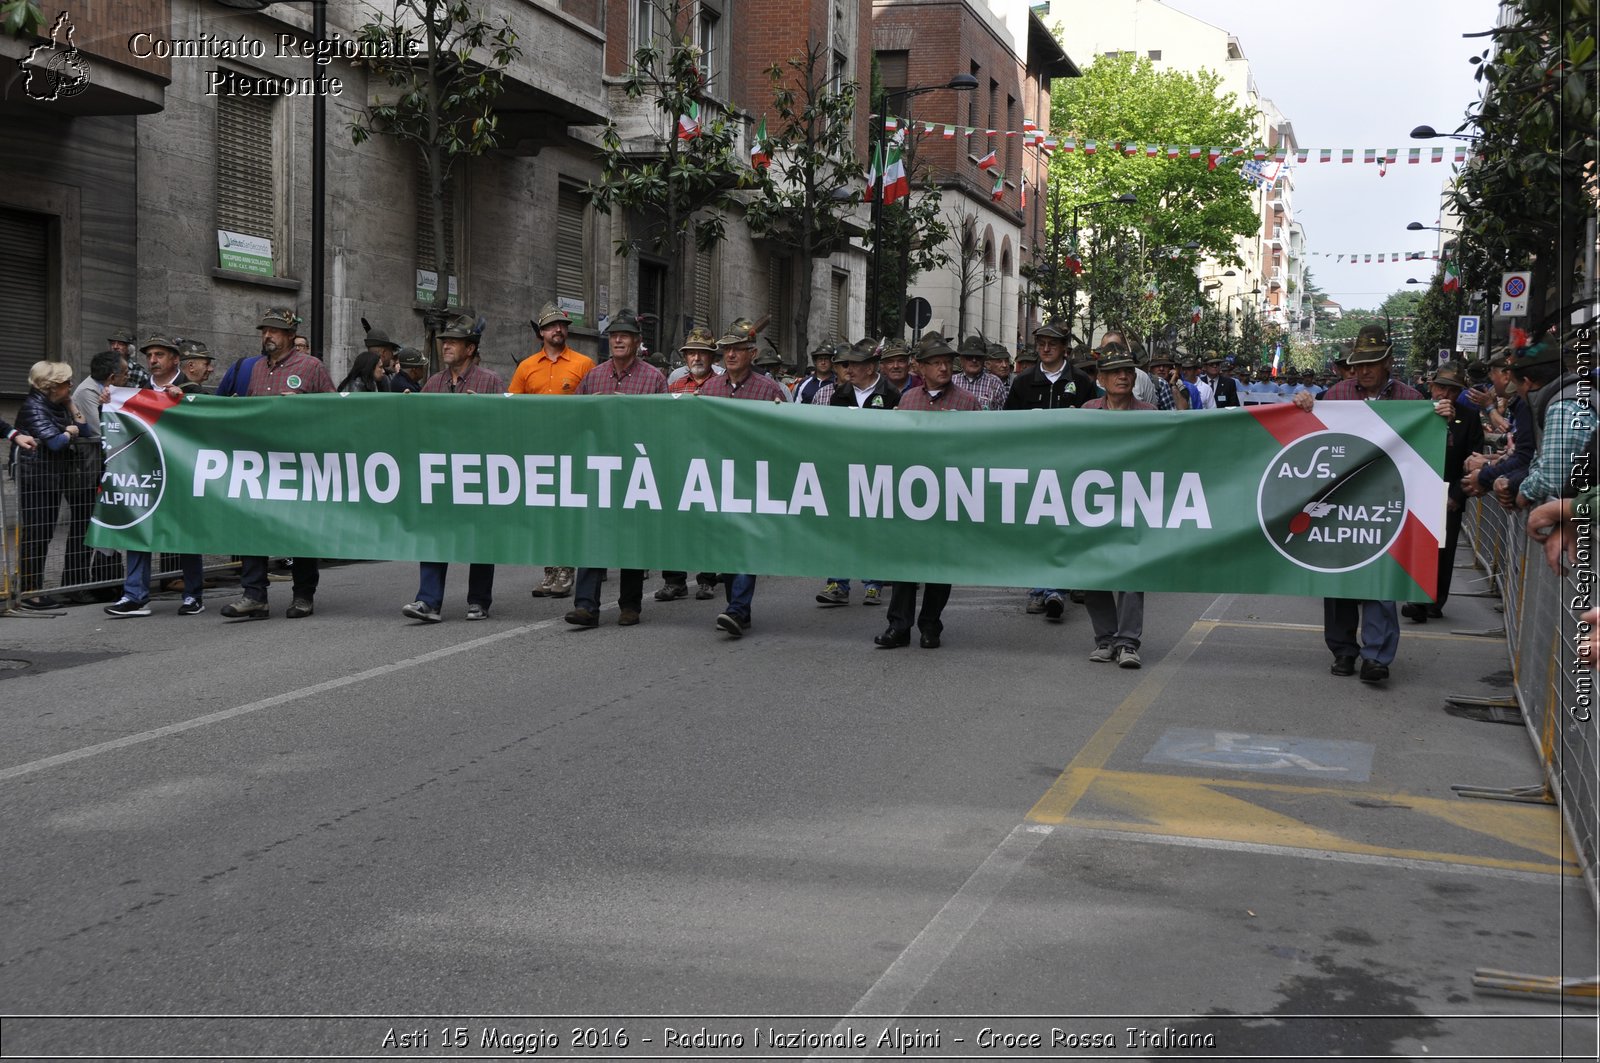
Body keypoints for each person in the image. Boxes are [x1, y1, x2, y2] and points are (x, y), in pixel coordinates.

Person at [1292, 324, 1453, 683]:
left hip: (1386, 505)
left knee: (1381, 580)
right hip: (1341, 503)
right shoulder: (1336, 396)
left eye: (1372, 363)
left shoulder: (1412, 401)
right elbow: (1306, 429)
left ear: (1388, 362)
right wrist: (1304, 404)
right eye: (1359, 364)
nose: (1363, 371)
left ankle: (1376, 656)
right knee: (1338, 581)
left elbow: (1438, 448)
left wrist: (1442, 421)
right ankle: (1344, 651)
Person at [221, 307, 335, 622]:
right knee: (252, 526)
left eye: (273, 331)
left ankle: (302, 596)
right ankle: (254, 595)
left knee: (299, 528)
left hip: (298, 463)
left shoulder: (311, 367)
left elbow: (335, 410)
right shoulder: (256, 368)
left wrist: (302, 406)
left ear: (288, 335)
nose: (266, 336)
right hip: (261, 464)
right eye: (263, 331)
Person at [875, 334, 982, 650]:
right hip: (912, 497)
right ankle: (898, 626)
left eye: (947, 362)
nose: (943, 368)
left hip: (950, 496)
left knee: (940, 564)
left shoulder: (967, 403)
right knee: (904, 563)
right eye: (936, 362)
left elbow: (981, 448)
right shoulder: (907, 401)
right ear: (919, 368)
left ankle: (930, 625)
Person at [400, 314, 505, 622]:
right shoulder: (434, 383)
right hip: (441, 472)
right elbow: (419, 429)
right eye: (444, 341)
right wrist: (409, 407)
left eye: (453, 342)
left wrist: (485, 411)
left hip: (478, 472)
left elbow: (505, 426)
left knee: (480, 534)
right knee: (434, 532)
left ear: (470, 349)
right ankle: (428, 602)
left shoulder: (490, 381)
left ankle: (479, 600)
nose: (445, 346)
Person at [566, 310, 667, 628]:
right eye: (613, 336)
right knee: (591, 533)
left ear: (637, 342)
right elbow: (575, 420)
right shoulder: (594, 377)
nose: (618, 340)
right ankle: (586, 605)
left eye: (624, 335)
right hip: (599, 466)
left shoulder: (653, 378)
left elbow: (666, 424)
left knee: (631, 534)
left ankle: (630, 604)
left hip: (636, 467)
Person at [695, 318, 789, 638]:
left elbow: (783, 433)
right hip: (719, 478)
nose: (730, 355)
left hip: (753, 478)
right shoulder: (710, 388)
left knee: (746, 542)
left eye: (738, 349)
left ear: (752, 353)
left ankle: (737, 608)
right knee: (727, 544)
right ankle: (739, 608)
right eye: (726, 350)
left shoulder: (768, 389)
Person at [104, 340, 206, 618]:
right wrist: (110, 404)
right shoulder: (140, 392)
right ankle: (134, 595)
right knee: (140, 530)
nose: (153, 360)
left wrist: (185, 402)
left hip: (183, 472)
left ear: (175, 360)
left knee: (186, 533)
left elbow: (206, 425)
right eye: (149, 355)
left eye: (159, 355)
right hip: (148, 472)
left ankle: (193, 594)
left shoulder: (192, 389)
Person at [1004, 318, 1096, 619]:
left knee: (1064, 526)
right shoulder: (1022, 381)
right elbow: (1008, 426)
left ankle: (1055, 587)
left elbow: (1095, 422)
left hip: (1071, 467)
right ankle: (1039, 588)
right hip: (1034, 466)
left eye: (1052, 344)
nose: (1045, 348)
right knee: (1038, 528)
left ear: (1064, 349)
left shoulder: (1081, 382)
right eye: (1041, 344)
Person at [512, 302, 595, 599]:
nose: (558, 329)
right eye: (550, 325)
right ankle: (549, 569)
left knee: (567, 509)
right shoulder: (526, 367)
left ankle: (566, 567)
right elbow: (513, 408)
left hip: (571, 449)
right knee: (543, 511)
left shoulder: (584, 364)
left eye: (562, 325)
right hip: (536, 450)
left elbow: (593, 408)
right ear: (541, 333)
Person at [1081, 346, 1156, 667]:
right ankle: (1105, 639)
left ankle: (1127, 643)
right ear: (1102, 379)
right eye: (1115, 372)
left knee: (1131, 572)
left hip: (1135, 506)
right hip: (1093, 506)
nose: (1123, 376)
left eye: (1128, 371)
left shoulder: (1152, 415)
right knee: (1093, 573)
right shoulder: (1085, 413)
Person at [813, 338, 899, 606]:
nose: (847, 368)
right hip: (844, 471)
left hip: (879, 472)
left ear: (871, 367)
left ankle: (873, 583)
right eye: (846, 364)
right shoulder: (838, 395)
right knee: (839, 528)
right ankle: (837, 583)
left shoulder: (892, 395)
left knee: (874, 528)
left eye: (854, 364)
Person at [1401, 362, 1483, 623]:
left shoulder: (1468, 418)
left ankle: (1433, 600)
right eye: (1441, 388)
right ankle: (1415, 596)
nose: (1445, 395)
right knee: (1413, 546)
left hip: (1448, 493)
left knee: (1442, 551)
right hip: (1415, 491)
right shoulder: (1415, 412)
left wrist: (1457, 495)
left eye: (1452, 391)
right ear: (1432, 386)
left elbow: (1473, 459)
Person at [15, 361, 96, 609]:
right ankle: (30, 592)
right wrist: (69, 432)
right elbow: (55, 442)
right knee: (37, 535)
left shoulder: (56, 404)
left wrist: (71, 403)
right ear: (51, 386)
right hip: (36, 478)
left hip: (52, 477)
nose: (70, 385)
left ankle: (34, 589)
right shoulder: (34, 407)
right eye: (65, 383)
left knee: (44, 534)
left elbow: (84, 428)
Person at [658, 327, 722, 602]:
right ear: (685, 357)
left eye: (702, 353)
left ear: (711, 357)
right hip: (679, 463)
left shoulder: (720, 387)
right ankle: (674, 581)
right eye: (692, 353)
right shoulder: (673, 387)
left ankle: (707, 580)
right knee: (673, 523)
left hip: (710, 462)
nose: (696, 358)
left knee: (707, 521)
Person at [1504, 337, 1596, 510]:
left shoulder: (1562, 408)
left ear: (1528, 382)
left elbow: (1552, 476)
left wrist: (1524, 491)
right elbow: (1542, 460)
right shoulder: (1567, 396)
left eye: (1516, 387)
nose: (1517, 393)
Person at [954, 334, 1009, 410]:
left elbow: (1004, 415)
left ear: (984, 360)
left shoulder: (995, 383)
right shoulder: (952, 381)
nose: (974, 360)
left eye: (978, 357)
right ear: (961, 360)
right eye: (969, 357)